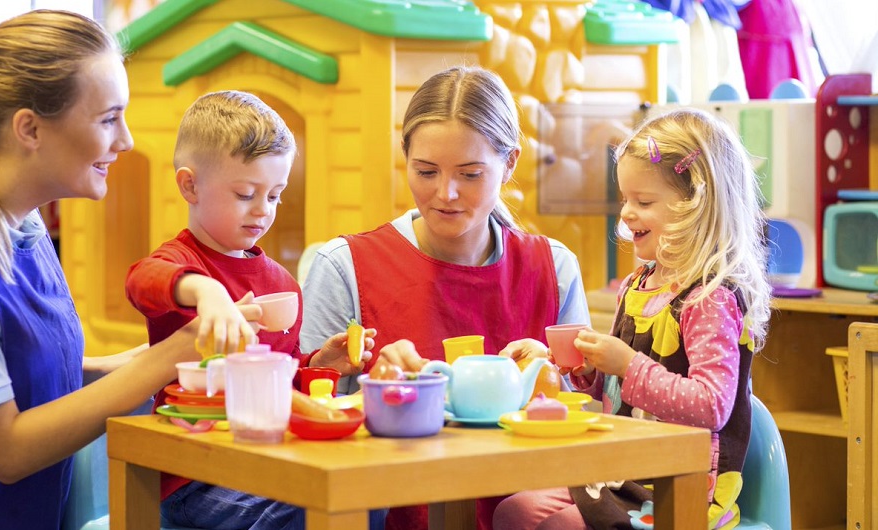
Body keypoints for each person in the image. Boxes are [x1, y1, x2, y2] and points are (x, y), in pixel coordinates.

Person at [0, 10, 216, 530]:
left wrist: (176, 355)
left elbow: (33, 373)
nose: (125, 140)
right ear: (30, 128)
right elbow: (7, 450)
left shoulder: (24, 228)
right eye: (108, 119)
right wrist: (169, 358)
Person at [300, 66, 591, 530]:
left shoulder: (553, 268)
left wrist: (553, 374)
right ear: (406, 156)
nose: (445, 193)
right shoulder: (344, 265)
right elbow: (308, 416)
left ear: (510, 162)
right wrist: (370, 383)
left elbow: (584, 418)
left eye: (470, 174)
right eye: (426, 171)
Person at [492, 108, 772, 529]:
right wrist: (573, 361)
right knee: (513, 511)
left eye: (643, 202)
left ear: (697, 206)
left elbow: (712, 406)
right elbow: (615, 385)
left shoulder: (710, 298)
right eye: (625, 198)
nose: (625, 213)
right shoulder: (638, 284)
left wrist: (626, 363)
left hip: (679, 485)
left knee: (559, 526)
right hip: (621, 469)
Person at [124, 90, 386, 530]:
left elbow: (278, 378)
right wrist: (205, 292)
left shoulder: (281, 285)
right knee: (316, 512)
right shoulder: (181, 264)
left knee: (363, 499)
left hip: (266, 456)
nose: (264, 210)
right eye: (246, 194)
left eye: (275, 195)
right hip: (195, 474)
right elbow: (141, 281)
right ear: (190, 185)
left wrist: (320, 364)